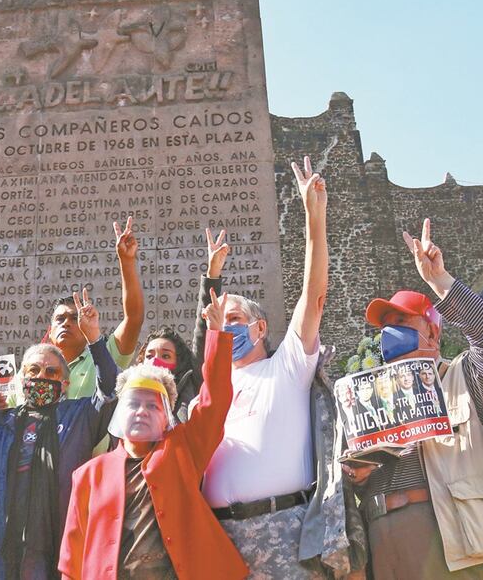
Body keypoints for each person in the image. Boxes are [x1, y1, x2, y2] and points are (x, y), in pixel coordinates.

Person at [198, 157, 363, 578]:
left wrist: (314, 216)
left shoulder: (286, 367)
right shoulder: (209, 391)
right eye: (219, 321)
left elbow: (315, 294)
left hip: (285, 534)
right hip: (220, 540)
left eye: (234, 319)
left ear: (261, 326)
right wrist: (210, 281)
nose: (226, 326)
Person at [348, 217, 483, 579]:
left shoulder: (463, 377)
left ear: (432, 331)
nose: (390, 334)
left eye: (402, 322)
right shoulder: (368, 396)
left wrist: (439, 281)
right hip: (383, 538)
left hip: (450, 536)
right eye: (386, 326)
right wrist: (357, 475)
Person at [59, 289, 247, 579]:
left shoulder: (183, 449)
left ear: (167, 414)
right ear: (121, 409)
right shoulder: (88, 474)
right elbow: (72, 559)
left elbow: (215, 401)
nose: (142, 411)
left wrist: (216, 333)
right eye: (134, 403)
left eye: (153, 405)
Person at [0, 288, 118, 580]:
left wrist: (94, 338)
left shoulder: (78, 416)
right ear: (22, 380)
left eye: (51, 372)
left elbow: (109, 389)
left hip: (57, 545)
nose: (41, 377)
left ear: (65, 384)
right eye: (33, 371)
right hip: (2, 546)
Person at [49, 217, 143, 401]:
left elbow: (134, 318)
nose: (66, 324)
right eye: (60, 319)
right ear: (50, 330)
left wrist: (127, 261)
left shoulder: (105, 356)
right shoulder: (34, 368)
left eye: (74, 319)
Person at [135, 325, 199, 423]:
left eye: (165, 356)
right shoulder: (129, 394)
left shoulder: (192, 386)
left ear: (178, 363)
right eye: (149, 356)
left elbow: (202, 339)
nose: (155, 361)